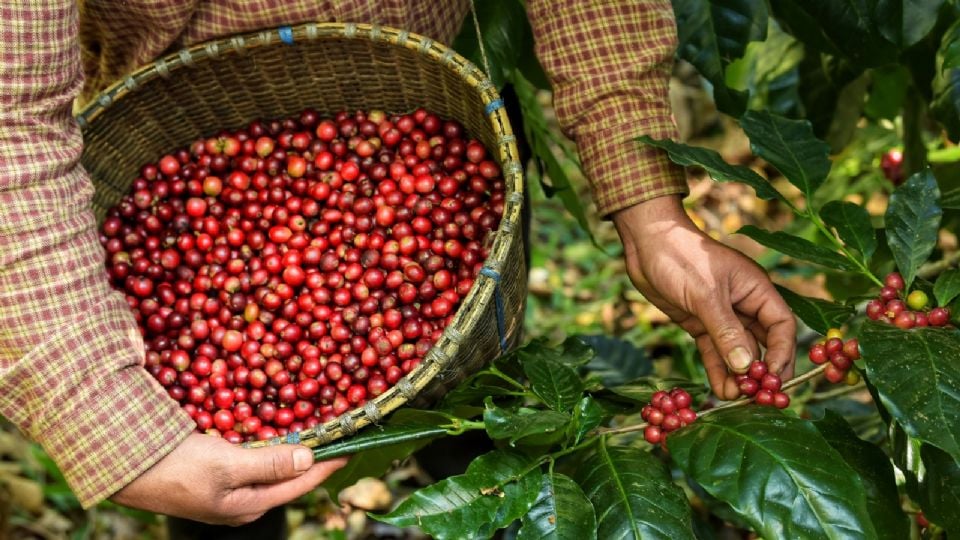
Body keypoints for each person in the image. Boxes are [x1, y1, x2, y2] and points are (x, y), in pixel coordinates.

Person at [0, 0, 796, 529]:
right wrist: (106, 416)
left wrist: (651, 210)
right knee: (216, 477)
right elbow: (10, 117)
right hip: (171, 95)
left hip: (428, 77)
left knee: (489, 415)